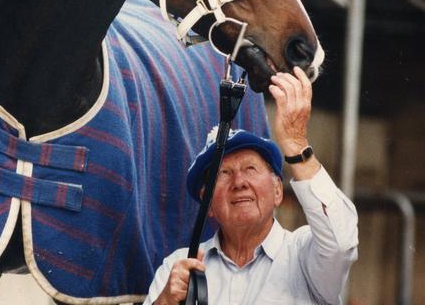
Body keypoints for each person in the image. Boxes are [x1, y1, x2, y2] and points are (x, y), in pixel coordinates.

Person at [144, 67, 358, 305]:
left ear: (278, 190)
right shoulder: (179, 267)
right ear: (208, 203)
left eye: (250, 169)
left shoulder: (304, 255)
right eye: (223, 173)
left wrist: (296, 143)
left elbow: (341, 243)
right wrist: (163, 301)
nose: (239, 182)